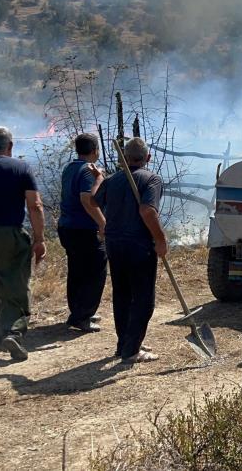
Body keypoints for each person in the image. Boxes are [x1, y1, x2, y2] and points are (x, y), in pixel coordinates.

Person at [94, 138, 165, 363]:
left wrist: (99, 179)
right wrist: (160, 239)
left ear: (124, 158)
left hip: (114, 244)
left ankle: (125, 343)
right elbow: (147, 211)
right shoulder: (151, 179)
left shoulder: (112, 179)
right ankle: (132, 350)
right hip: (138, 245)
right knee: (144, 299)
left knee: (122, 295)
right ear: (148, 158)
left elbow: (95, 201)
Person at [0, 127, 45, 361]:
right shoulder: (20, 168)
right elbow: (34, 206)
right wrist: (39, 238)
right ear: (10, 146)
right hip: (9, 234)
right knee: (15, 283)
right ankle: (13, 332)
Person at [58, 133, 107, 333]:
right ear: (95, 150)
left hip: (67, 227)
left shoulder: (69, 168)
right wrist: (103, 223)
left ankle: (78, 311)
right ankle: (83, 316)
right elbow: (88, 200)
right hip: (83, 229)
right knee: (96, 270)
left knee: (77, 270)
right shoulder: (88, 171)